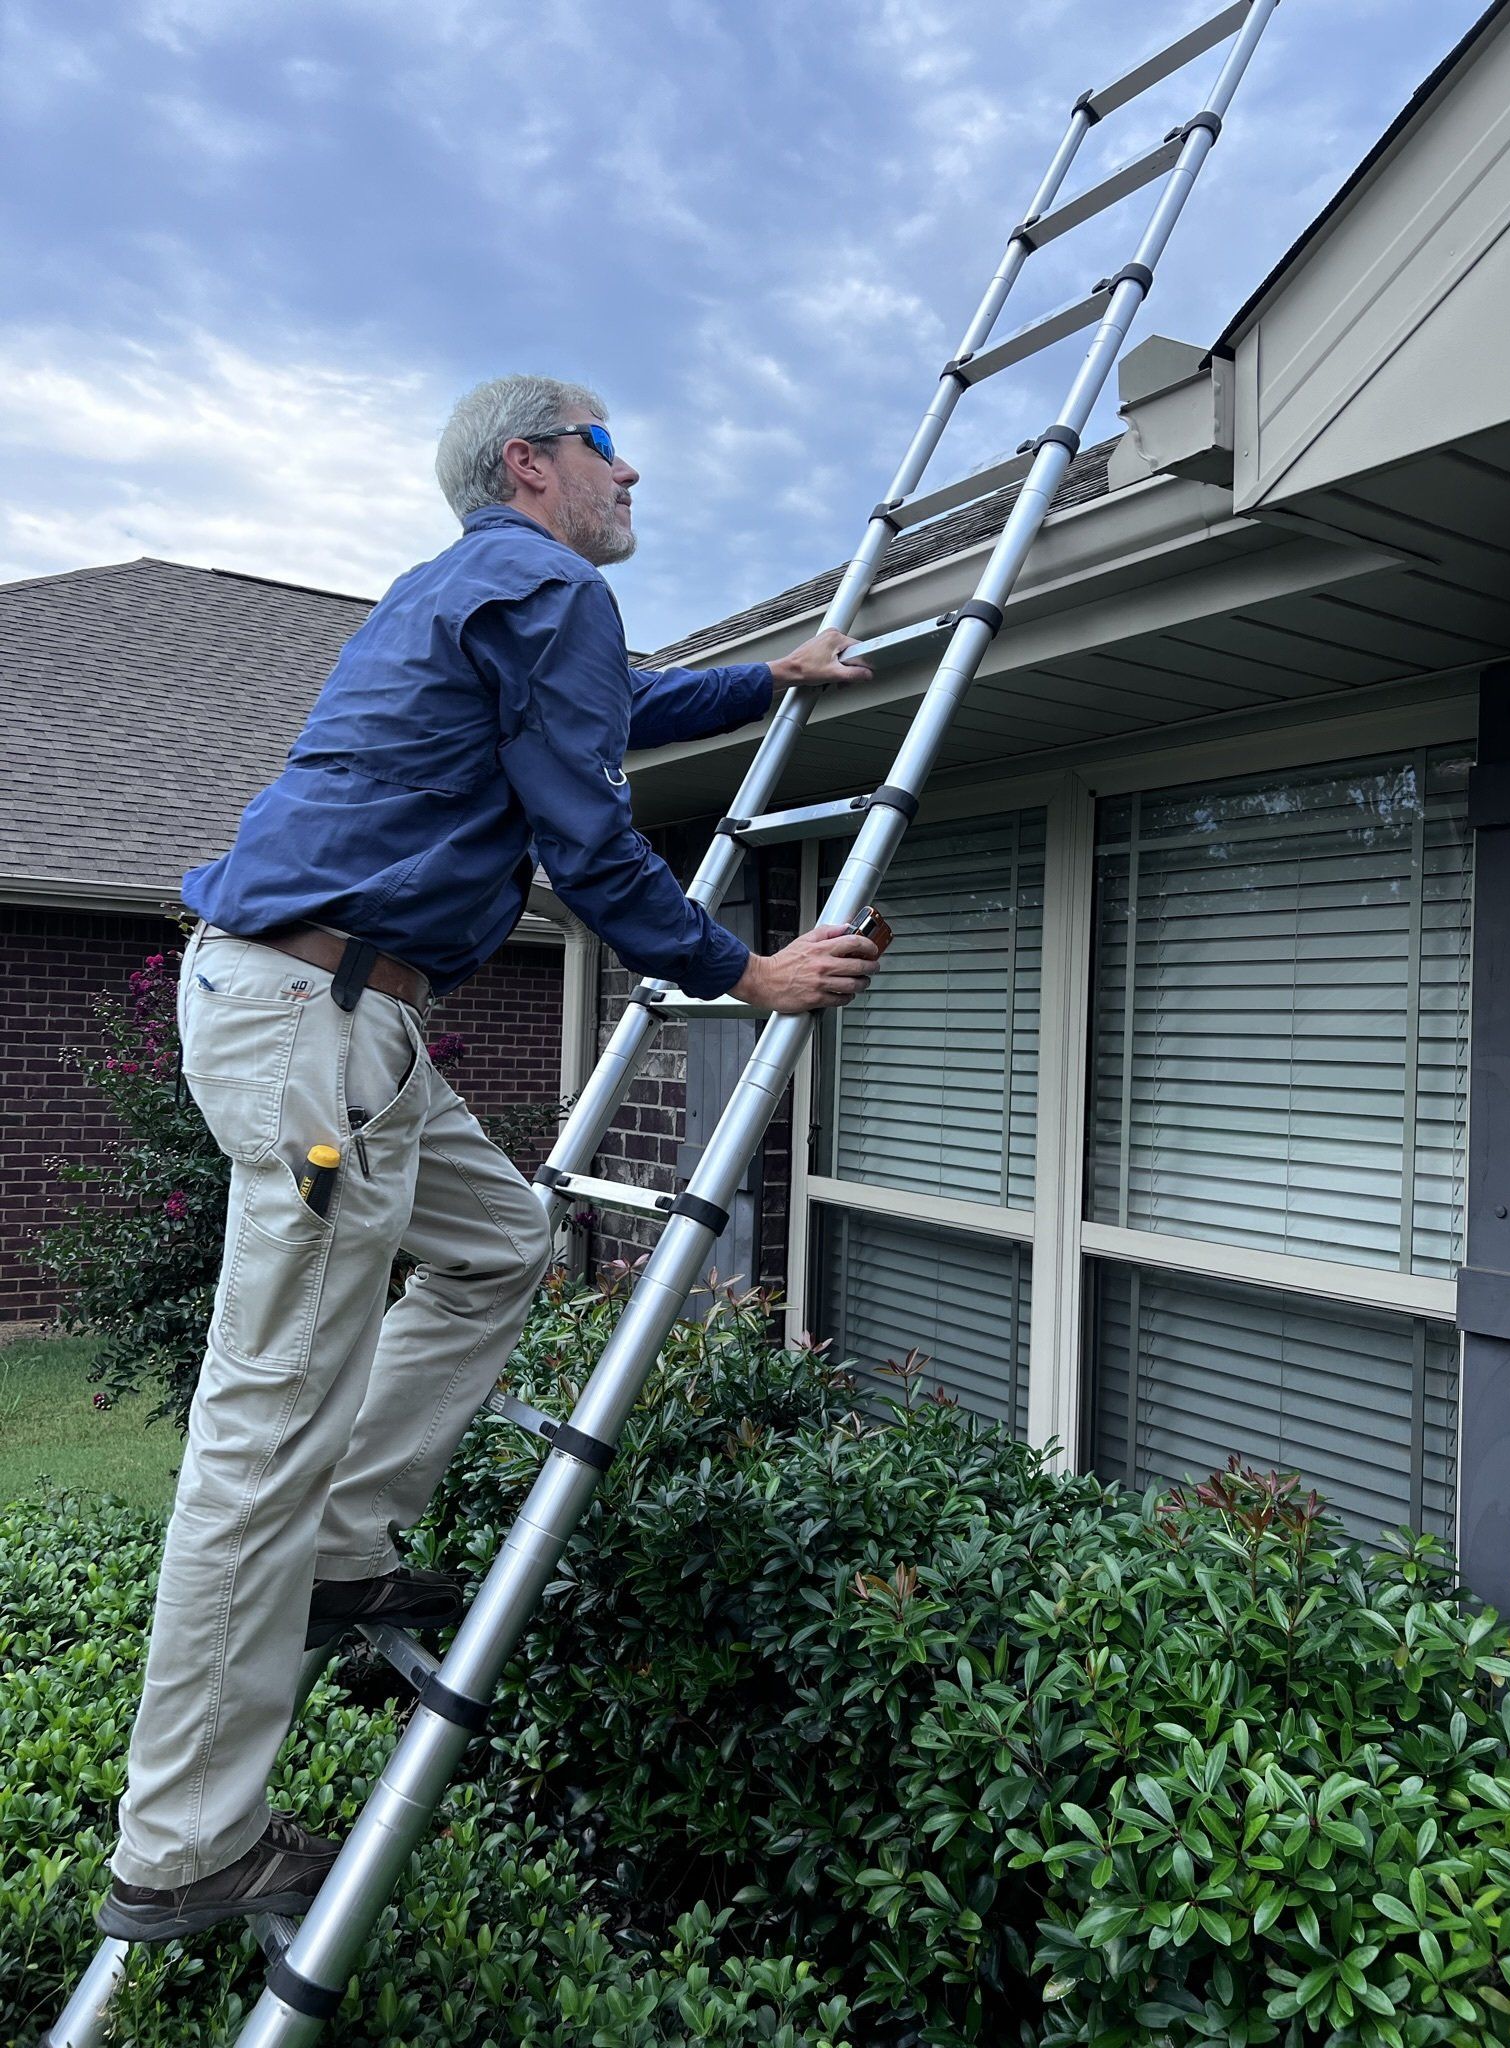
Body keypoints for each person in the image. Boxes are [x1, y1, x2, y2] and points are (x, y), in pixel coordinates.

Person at [98, 373, 881, 1942]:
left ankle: (343, 1547)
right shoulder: (545, 580)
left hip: (325, 1017)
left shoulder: (478, 588)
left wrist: (764, 681)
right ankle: (184, 1844)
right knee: (262, 1433)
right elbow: (590, 832)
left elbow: (616, 716)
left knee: (499, 1246)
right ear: (535, 466)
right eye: (609, 444)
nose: (632, 466)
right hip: (324, 1026)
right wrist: (749, 976)